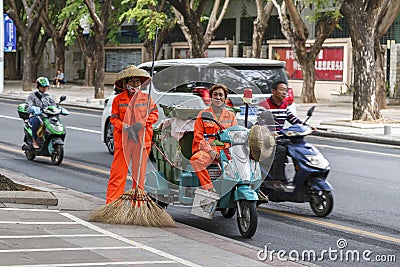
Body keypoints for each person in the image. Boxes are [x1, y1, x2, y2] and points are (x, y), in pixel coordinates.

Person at [106, 65, 158, 204]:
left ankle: (137, 207)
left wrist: (141, 123)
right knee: (118, 174)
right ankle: (112, 205)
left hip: (142, 142)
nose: (135, 84)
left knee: (139, 177)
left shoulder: (147, 99)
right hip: (123, 142)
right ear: (125, 83)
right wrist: (125, 127)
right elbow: (114, 119)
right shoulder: (118, 100)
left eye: (137, 81)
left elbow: (154, 114)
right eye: (132, 81)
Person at [258, 80, 315, 191]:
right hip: (266, 139)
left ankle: (302, 178)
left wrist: (307, 126)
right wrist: (269, 132)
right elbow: (260, 122)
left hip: (280, 137)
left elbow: (293, 119)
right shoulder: (264, 106)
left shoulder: (284, 105)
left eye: (285, 90)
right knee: (281, 151)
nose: (284, 92)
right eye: (281, 90)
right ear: (273, 91)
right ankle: (277, 180)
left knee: (298, 149)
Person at [190, 84, 238, 191]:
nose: (218, 97)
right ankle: (209, 189)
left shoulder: (231, 116)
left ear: (225, 99)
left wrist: (225, 151)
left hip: (226, 151)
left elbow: (234, 135)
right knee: (196, 160)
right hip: (208, 151)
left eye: (221, 95)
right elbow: (198, 137)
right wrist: (210, 151)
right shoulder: (203, 114)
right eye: (215, 94)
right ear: (211, 98)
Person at [25, 77, 57, 149]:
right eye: (43, 87)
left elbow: (54, 105)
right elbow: (27, 107)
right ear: (38, 87)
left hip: (47, 116)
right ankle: (34, 140)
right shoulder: (32, 95)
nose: (45, 89)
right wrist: (33, 109)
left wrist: (58, 109)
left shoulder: (48, 96)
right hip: (35, 116)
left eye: (46, 87)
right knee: (36, 121)